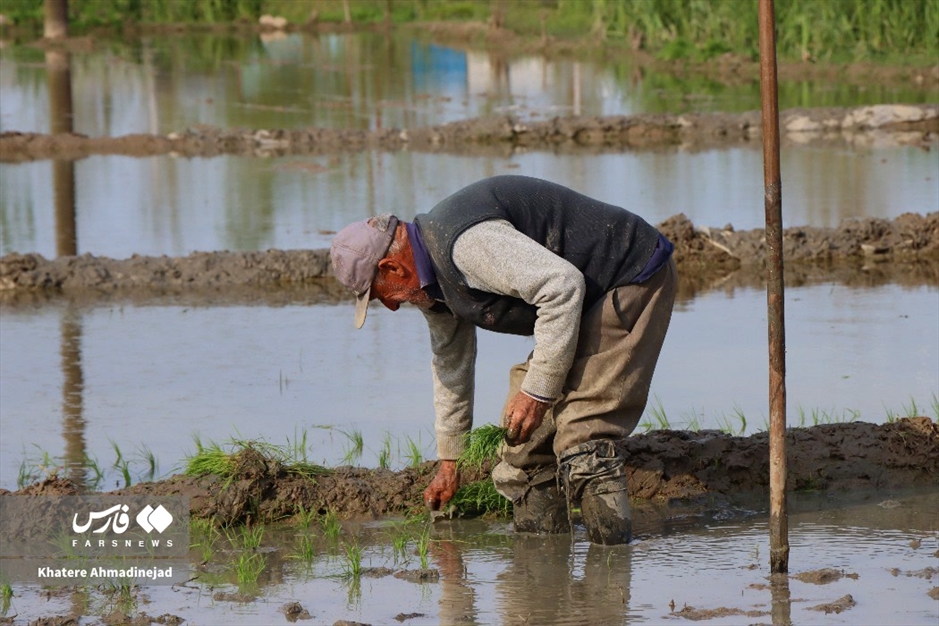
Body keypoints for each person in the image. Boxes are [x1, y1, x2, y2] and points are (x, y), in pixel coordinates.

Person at [329, 175, 676, 544]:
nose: (394, 306)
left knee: (581, 431)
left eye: (383, 296)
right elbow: (451, 367)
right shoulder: (432, 289)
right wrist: (451, 460)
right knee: (521, 445)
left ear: (392, 269)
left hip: (630, 276)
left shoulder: (465, 246)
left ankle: (609, 573)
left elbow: (562, 286)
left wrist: (539, 392)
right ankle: (538, 575)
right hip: (581, 304)